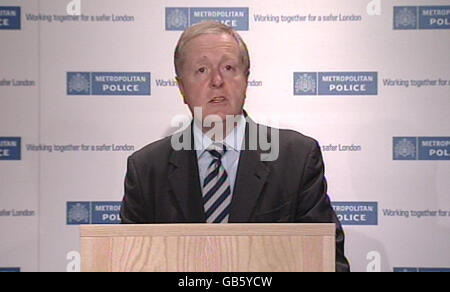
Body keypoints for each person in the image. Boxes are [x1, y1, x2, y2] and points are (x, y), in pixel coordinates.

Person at [120, 21, 350, 272]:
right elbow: (131, 263)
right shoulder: (146, 169)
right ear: (181, 88)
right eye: (201, 70)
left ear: (246, 80)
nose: (217, 81)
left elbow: (327, 261)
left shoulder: (296, 158)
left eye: (229, 68)